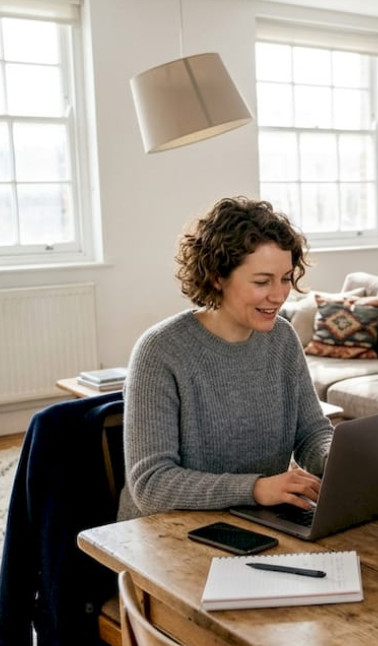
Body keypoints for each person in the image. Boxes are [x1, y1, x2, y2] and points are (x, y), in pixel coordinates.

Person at [119, 197, 332, 520]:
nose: (279, 295)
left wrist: (338, 461)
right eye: (262, 281)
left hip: (256, 520)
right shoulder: (160, 351)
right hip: (165, 532)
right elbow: (151, 485)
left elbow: (312, 433)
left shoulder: (282, 338)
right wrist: (257, 489)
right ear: (217, 277)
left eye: (286, 278)